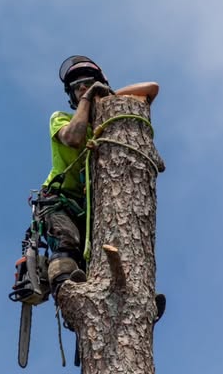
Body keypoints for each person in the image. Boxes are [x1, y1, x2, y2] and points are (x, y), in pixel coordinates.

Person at [38, 56, 165, 325]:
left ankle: (137, 300)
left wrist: (106, 96)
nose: (83, 90)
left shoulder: (108, 125)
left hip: (91, 207)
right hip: (60, 200)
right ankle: (66, 291)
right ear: (72, 98)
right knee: (68, 241)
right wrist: (88, 99)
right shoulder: (61, 119)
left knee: (119, 241)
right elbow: (72, 139)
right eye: (78, 88)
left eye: (88, 84)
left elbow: (151, 88)